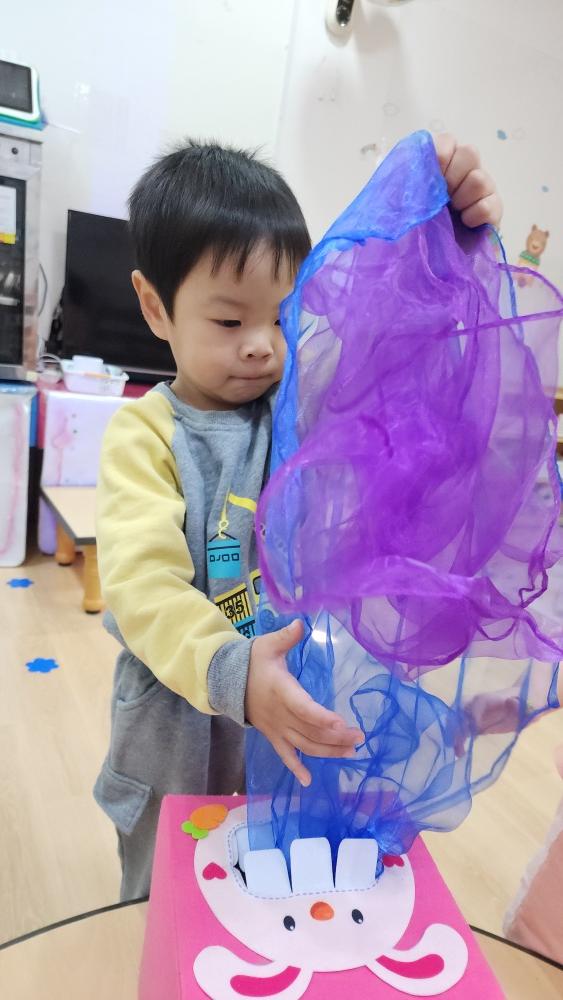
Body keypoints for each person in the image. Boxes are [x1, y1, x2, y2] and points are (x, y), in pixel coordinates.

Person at [94, 134, 503, 899]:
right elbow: (141, 587)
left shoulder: (299, 411)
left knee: (263, 885)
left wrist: (438, 240)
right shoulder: (145, 436)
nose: (261, 347)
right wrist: (233, 669)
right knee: (169, 893)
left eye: (282, 319)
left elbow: (391, 366)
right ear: (155, 306)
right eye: (228, 322)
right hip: (177, 732)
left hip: (285, 713)